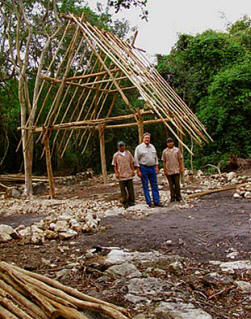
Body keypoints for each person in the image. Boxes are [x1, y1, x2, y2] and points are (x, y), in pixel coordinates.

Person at [134, 132, 162, 208]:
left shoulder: (152, 147)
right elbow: (136, 159)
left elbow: (155, 157)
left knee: (155, 185)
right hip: (144, 168)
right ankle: (149, 202)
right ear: (143, 139)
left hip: (152, 168)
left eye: (148, 138)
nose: (147, 139)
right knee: (145, 185)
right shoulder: (139, 148)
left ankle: (157, 201)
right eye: (146, 138)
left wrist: (156, 166)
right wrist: (138, 170)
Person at [112, 141, 135, 209]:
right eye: (120, 146)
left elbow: (131, 162)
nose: (122, 147)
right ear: (118, 147)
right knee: (123, 190)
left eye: (122, 146)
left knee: (130, 189)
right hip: (121, 175)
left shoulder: (128, 153)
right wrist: (116, 173)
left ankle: (131, 201)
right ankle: (125, 202)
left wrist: (133, 170)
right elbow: (114, 165)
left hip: (128, 173)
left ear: (125, 146)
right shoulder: (116, 155)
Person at [161, 137, 183, 202]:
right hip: (168, 170)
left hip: (176, 169)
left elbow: (180, 159)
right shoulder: (165, 151)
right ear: (167, 144)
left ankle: (178, 197)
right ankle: (172, 197)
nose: (170, 143)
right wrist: (164, 170)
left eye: (171, 142)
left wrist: (181, 168)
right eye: (168, 142)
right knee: (171, 185)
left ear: (173, 142)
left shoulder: (177, 150)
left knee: (177, 184)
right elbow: (163, 161)